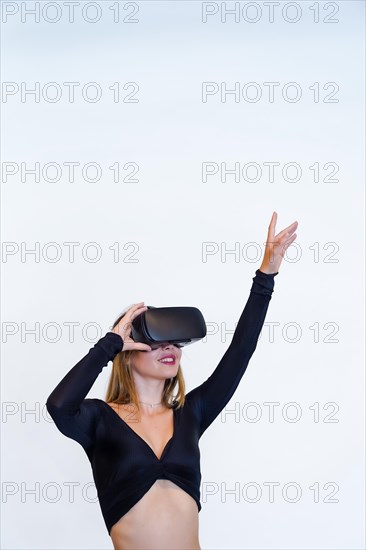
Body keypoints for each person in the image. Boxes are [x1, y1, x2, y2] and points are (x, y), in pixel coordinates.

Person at [46, 211, 298, 550]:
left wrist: (266, 275)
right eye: (155, 342)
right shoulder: (98, 420)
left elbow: (241, 352)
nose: (170, 349)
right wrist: (109, 344)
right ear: (128, 353)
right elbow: (59, 406)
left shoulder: (192, 413)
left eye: (176, 343)